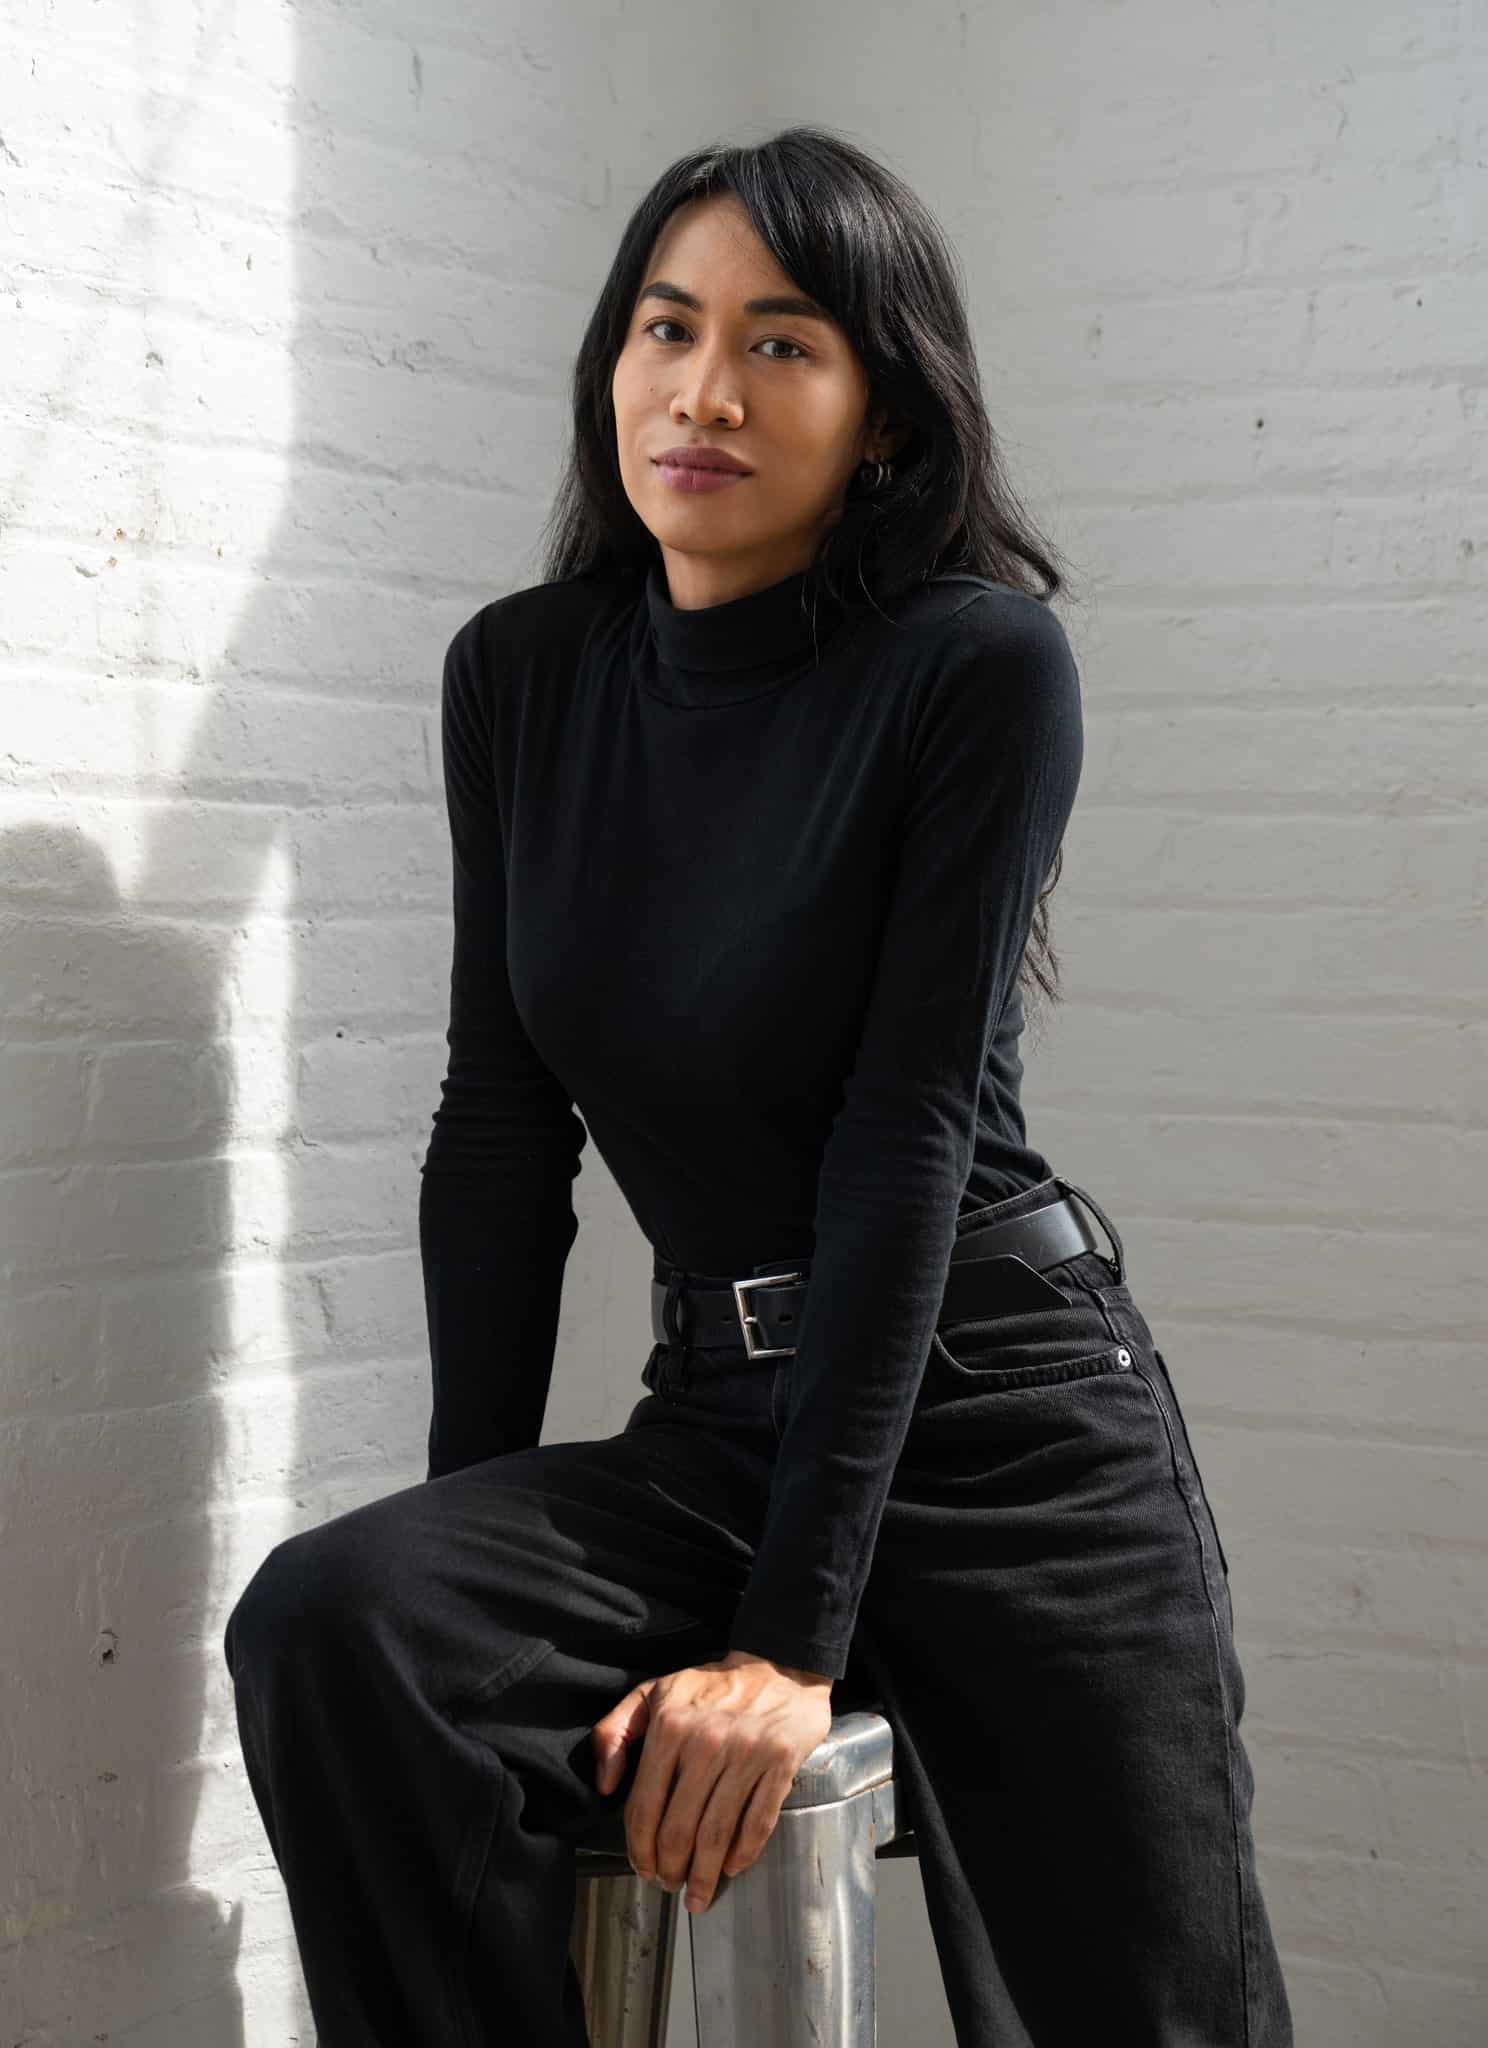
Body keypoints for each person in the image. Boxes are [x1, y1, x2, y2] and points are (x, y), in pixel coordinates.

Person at [223, 124, 1295, 2046]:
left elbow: (905, 1142)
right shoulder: (523, 676)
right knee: (346, 1625)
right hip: (722, 1422)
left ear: (883, 413)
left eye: (783, 343)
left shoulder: (976, 666)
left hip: (1005, 1429)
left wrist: (791, 1651)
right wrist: (493, 1538)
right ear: (611, 364)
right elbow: (498, 1126)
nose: (703, 390)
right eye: (666, 325)